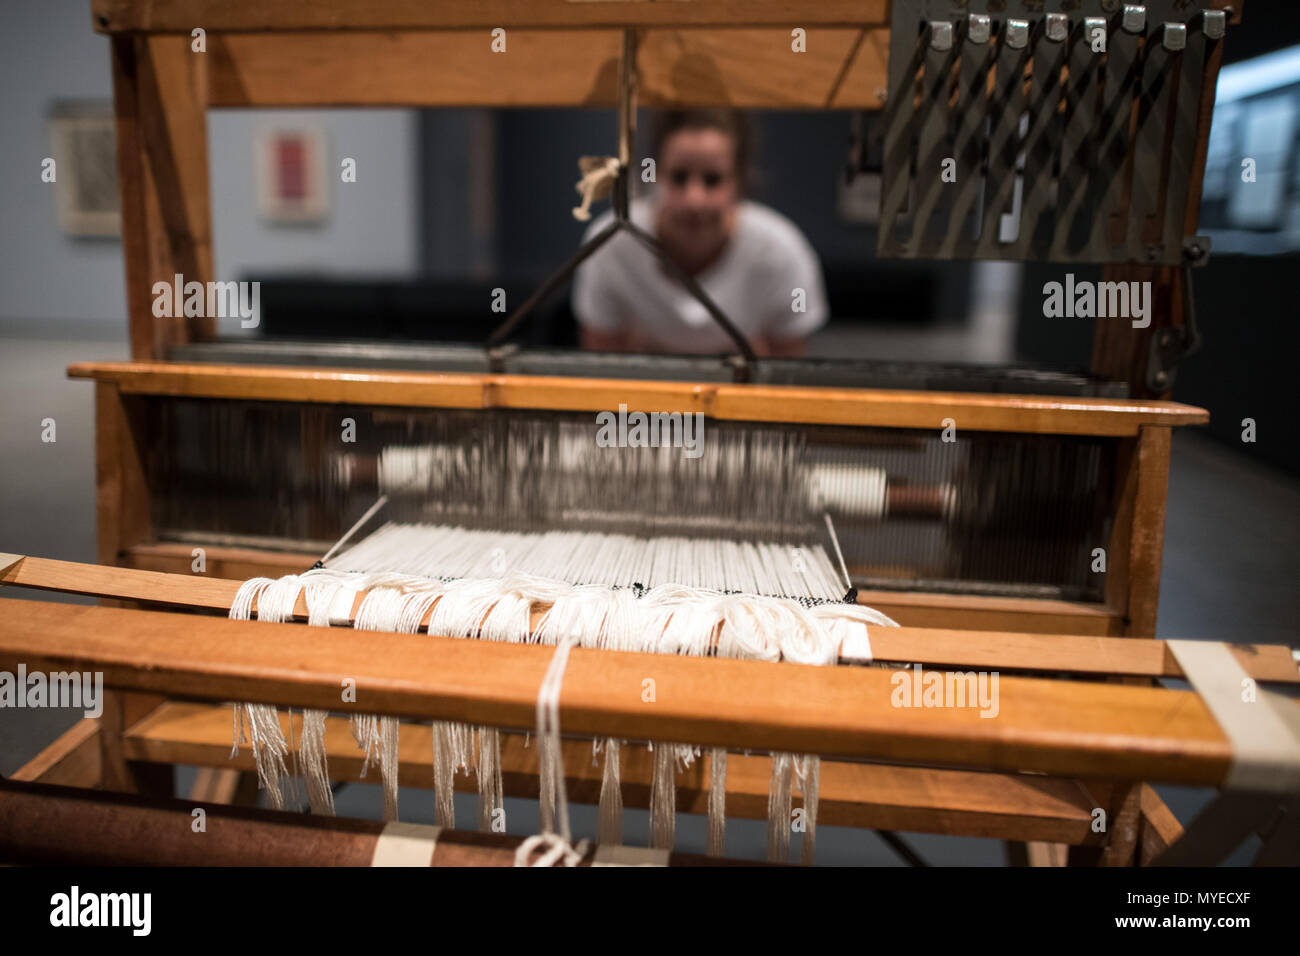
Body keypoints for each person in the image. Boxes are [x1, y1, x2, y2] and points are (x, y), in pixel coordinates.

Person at [572, 110, 828, 357]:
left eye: (713, 179)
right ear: (655, 175)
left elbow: (788, 378)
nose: (694, 200)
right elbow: (603, 371)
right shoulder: (608, 247)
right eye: (679, 177)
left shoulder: (785, 253)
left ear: (739, 181)